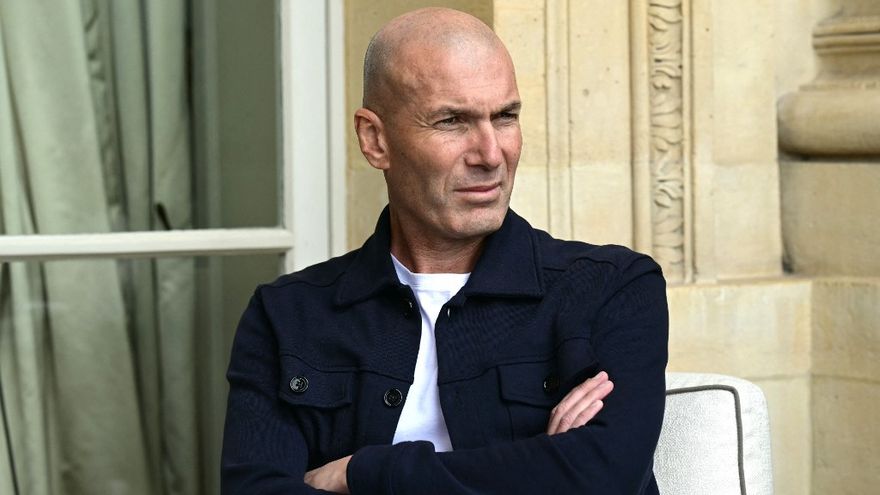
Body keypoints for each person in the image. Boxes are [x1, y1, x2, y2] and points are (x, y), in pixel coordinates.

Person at [221, 7, 668, 495]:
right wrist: (538, 466)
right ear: (375, 140)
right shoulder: (287, 315)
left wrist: (359, 473)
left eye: (505, 117)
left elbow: (604, 473)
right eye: (452, 121)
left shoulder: (611, 288)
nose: (491, 154)